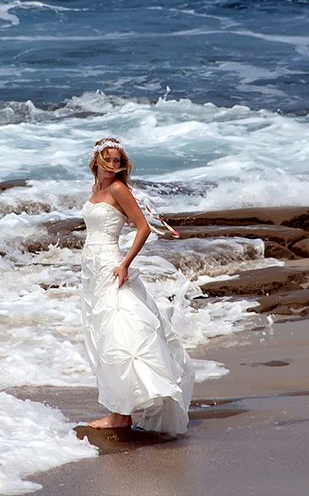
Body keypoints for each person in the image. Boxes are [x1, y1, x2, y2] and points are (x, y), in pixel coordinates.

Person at [80, 136, 195, 435]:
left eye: (118, 161)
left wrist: (125, 264)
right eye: (108, 160)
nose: (113, 165)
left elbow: (143, 228)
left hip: (111, 265)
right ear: (96, 161)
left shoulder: (118, 189)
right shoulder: (96, 189)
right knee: (104, 334)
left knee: (121, 331)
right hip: (91, 269)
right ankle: (125, 404)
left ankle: (122, 414)